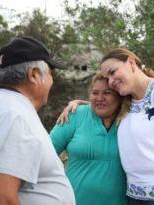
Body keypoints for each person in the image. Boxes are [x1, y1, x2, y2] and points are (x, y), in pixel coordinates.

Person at [59, 49, 154, 204]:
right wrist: (78, 104)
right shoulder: (129, 101)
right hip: (136, 198)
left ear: (131, 62)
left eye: (112, 72)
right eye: (107, 77)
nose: (111, 81)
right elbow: (106, 104)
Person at [0, 36, 75, 205]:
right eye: (50, 74)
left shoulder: (2, 105)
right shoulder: (14, 116)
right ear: (33, 75)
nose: (51, 81)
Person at [50, 73, 127, 205]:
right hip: (73, 201)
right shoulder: (74, 115)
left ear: (120, 96)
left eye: (107, 93)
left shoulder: (130, 120)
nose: (99, 98)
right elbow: (44, 155)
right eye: (95, 93)